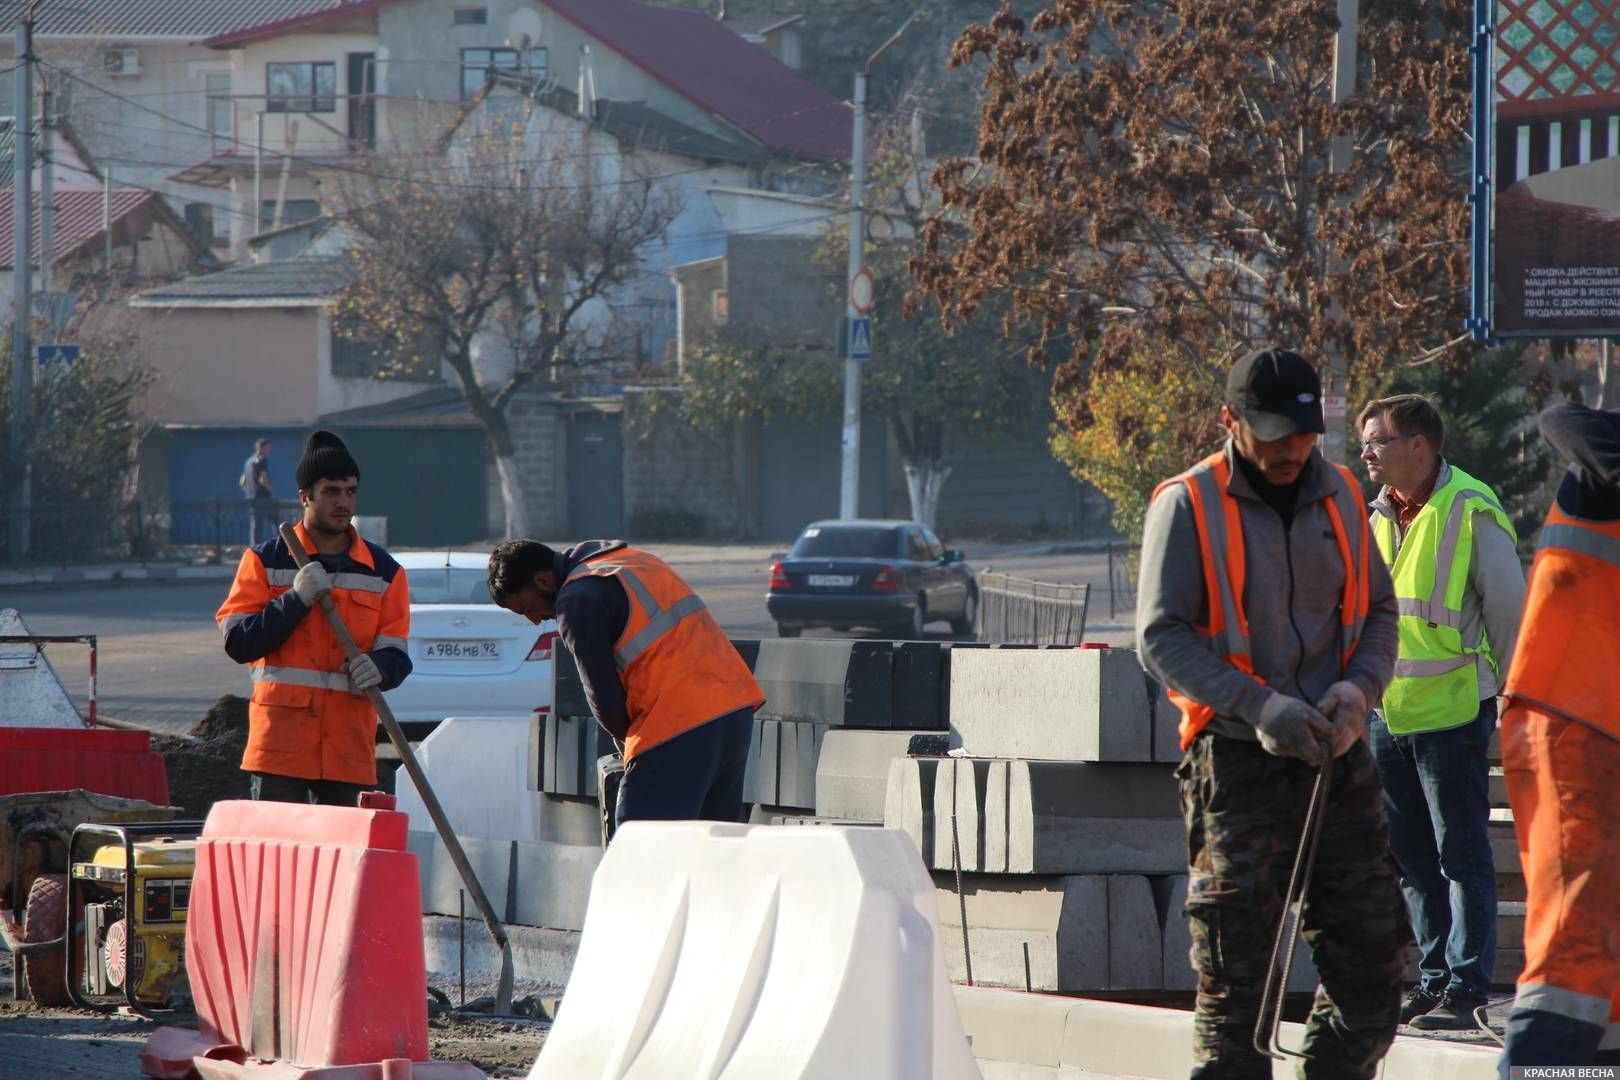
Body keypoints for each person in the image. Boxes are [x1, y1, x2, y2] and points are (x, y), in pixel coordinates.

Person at [1137, 347, 1410, 1078]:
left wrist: (1358, 691)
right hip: (1237, 766)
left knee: (1374, 983)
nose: (1291, 450)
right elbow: (1160, 637)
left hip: (1336, 763)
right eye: (1272, 435)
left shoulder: (1342, 493)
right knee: (1237, 1000)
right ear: (1230, 421)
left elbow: (1380, 612)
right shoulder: (1188, 504)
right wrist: (1262, 707)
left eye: (1302, 434)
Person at [1357, 394, 1525, 1031]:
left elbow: (1507, 609)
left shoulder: (1469, 507)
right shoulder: (1378, 515)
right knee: (1412, 860)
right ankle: (1432, 981)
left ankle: (1465, 988)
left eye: (1378, 441)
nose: (1367, 452)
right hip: (1389, 714)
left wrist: (1514, 693)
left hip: (1453, 715)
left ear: (1418, 445)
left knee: (1461, 856)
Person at [1497, 402, 1620, 1070]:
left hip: (1602, 729)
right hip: (1571, 723)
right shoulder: (1603, 454)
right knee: (1574, 946)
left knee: (1605, 957)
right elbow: (1559, 419)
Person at [488, 539, 762, 826]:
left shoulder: (576, 600)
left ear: (543, 580)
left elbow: (603, 699)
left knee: (639, 837)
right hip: (733, 710)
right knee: (714, 840)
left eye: (527, 608)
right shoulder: (634, 560)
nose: (534, 621)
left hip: (677, 722)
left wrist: (630, 744)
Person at [215, 430, 411, 806]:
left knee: (344, 844)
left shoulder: (385, 572)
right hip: (280, 747)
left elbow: (397, 654)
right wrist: (296, 599)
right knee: (276, 843)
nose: (343, 502)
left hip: (348, 748)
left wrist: (380, 668)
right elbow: (239, 643)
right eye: (331, 491)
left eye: (350, 491)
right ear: (305, 496)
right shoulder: (264, 561)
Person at [241, 438, 276, 546]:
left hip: (252, 498)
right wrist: (270, 489)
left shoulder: (249, 461)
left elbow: (242, 481)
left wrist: (249, 492)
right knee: (277, 521)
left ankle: (254, 547)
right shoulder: (262, 459)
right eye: (268, 448)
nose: (269, 450)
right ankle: (282, 545)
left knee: (256, 525)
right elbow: (263, 478)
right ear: (262, 448)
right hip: (263, 497)